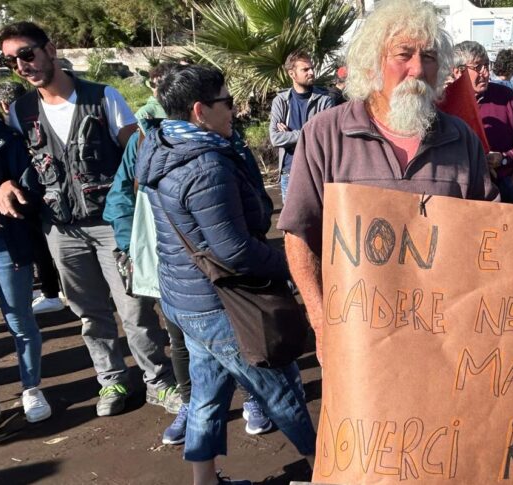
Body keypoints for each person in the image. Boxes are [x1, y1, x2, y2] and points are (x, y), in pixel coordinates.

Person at [278, 0, 498, 363]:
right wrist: (321, 322)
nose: (418, 69)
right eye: (403, 54)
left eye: (429, 56)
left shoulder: (461, 139)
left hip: (445, 343)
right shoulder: (325, 135)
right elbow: (300, 235)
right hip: (358, 342)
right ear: (371, 63)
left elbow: (491, 233)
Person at [135, 65, 317, 485]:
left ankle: (204, 480)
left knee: (207, 393)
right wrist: (293, 266)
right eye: (228, 102)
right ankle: (325, 470)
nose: (235, 110)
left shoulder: (162, 144)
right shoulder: (205, 166)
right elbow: (233, 250)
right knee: (281, 390)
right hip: (220, 303)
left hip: (184, 297)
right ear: (200, 110)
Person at [0, 21, 179, 417]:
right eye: (12, 61)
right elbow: (13, 160)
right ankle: (111, 379)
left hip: (111, 224)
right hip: (60, 229)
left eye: (27, 54)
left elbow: (137, 154)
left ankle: (158, 381)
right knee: (88, 312)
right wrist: (6, 182)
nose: (22, 65)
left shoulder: (103, 97)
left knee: (135, 308)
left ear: (50, 49)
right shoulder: (20, 112)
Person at [0, 56, 52, 435]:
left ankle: (31, 388)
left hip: (5, 241)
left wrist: (12, 186)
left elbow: (30, 190)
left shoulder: (6, 137)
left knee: (20, 320)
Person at [0, 79, 65, 315]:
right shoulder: (36, 117)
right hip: (51, 190)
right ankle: (57, 290)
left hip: (28, 195)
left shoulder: (7, 129)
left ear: (4, 104)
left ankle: (51, 293)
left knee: (38, 245)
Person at [455, 41, 513, 204]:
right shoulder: (444, 101)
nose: (485, 73)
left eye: (487, 65)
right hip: (459, 194)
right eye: (478, 67)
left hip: (502, 188)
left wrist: (504, 158)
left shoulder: (506, 97)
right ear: (458, 70)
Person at [268, 50, 336, 200]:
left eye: (312, 68)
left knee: (322, 215)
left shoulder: (325, 101)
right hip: (289, 173)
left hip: (317, 171)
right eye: (305, 69)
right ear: (292, 74)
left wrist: (290, 135)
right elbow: (275, 138)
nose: (311, 72)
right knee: (292, 216)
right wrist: (309, 134)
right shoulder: (280, 101)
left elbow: (325, 136)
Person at [134, 63, 172, 133]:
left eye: (161, 84)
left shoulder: (185, 108)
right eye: (153, 84)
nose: (156, 88)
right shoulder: (144, 113)